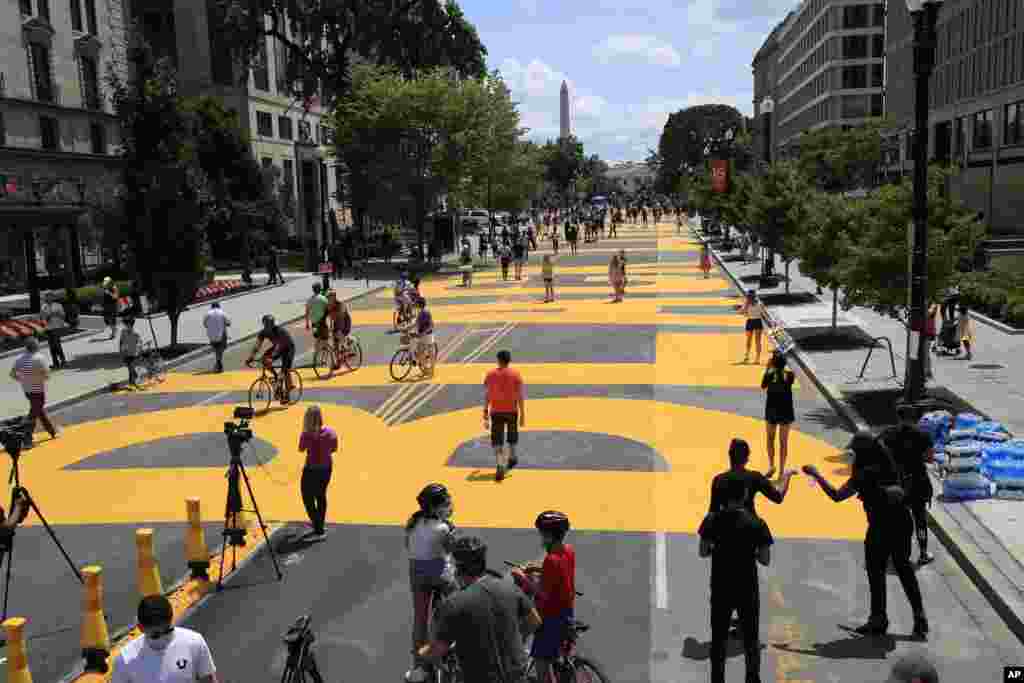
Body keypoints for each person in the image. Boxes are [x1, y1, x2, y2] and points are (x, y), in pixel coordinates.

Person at [803, 431, 928, 638]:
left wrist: (816, 474)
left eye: (855, 452)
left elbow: (837, 495)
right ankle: (919, 616)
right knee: (904, 568)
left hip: (881, 526)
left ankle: (878, 619)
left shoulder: (864, 474)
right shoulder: (888, 464)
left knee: (875, 571)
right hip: (903, 522)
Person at [419, 535, 541, 683]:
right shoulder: (510, 589)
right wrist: (516, 639)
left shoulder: (453, 604)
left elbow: (437, 650)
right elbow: (534, 621)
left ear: (458, 569)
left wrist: (423, 655)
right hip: (517, 677)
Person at [699, 475, 773, 683]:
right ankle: (752, 678)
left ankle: (717, 679)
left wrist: (719, 549)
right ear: (745, 495)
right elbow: (765, 559)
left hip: (721, 586)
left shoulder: (712, 520)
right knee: (750, 639)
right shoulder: (757, 523)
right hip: (747, 588)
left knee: (719, 638)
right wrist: (750, 553)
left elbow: (703, 551)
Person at [510, 511, 575, 683]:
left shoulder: (551, 560)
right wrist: (538, 569)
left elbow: (543, 594)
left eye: (541, 533)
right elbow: (560, 573)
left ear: (547, 535)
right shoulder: (568, 551)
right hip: (566, 611)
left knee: (541, 665)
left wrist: (522, 577)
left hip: (549, 616)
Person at [404, 483, 458, 682]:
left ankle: (419, 667)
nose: (449, 506)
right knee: (456, 603)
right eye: (446, 503)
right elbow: (453, 551)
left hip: (416, 574)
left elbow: (408, 546)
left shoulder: (412, 523)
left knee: (420, 619)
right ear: (436, 508)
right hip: (439, 575)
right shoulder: (442, 528)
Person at [110, 594, 219, 683]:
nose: (164, 639)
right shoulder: (125, 660)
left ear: (172, 620)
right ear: (140, 628)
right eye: (156, 635)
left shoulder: (194, 642)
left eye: (168, 631)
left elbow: (208, 680)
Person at [879, 405, 936, 565]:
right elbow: (930, 458)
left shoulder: (889, 434)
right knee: (920, 520)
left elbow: (883, 455)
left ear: (898, 417)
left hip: (897, 483)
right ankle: (923, 553)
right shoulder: (923, 435)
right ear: (914, 418)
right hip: (918, 482)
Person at [708, 438, 795, 516]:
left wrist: (763, 478)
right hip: (749, 527)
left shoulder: (718, 479)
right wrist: (787, 475)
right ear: (747, 458)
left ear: (730, 456)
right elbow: (778, 497)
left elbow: (712, 511)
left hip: (725, 528)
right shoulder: (754, 477)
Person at [483, 350, 525, 482]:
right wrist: (523, 414)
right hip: (512, 411)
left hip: (496, 412)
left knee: (497, 441)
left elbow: (488, 394)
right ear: (509, 360)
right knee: (512, 436)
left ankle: (500, 464)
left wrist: (485, 410)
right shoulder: (516, 374)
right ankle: (512, 457)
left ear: (498, 360)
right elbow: (519, 396)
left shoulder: (490, 375)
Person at [297, 405, 336, 539]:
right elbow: (334, 448)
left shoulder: (306, 434)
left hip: (311, 469)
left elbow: (301, 448)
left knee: (307, 496)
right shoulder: (330, 432)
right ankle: (319, 523)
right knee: (320, 495)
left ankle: (317, 525)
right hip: (326, 467)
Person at [10, 337, 57, 447]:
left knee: (38, 410)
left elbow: (12, 374)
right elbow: (47, 376)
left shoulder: (19, 359)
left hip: (27, 390)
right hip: (38, 390)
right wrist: (37, 378)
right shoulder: (40, 358)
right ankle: (27, 438)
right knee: (33, 414)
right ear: (36, 346)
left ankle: (52, 430)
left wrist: (22, 380)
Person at [762, 351, 796, 479]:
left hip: (771, 409)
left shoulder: (770, 374)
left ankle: (771, 466)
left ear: (773, 363)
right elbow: (790, 379)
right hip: (786, 410)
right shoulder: (790, 375)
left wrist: (768, 368)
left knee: (770, 439)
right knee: (783, 442)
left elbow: (763, 386)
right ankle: (782, 470)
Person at [247, 315, 296, 401]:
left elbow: (280, 346)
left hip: (288, 348)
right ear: (264, 325)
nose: (269, 327)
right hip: (278, 347)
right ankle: (276, 377)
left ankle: (287, 394)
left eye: (271, 325)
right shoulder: (263, 332)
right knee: (264, 359)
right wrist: (251, 357)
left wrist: (272, 357)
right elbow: (257, 346)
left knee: (284, 370)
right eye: (267, 325)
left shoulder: (280, 331)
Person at [402, 297, 435, 375]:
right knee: (420, 353)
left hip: (427, 335)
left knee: (427, 353)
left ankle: (430, 369)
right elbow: (415, 323)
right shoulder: (420, 312)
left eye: (416, 304)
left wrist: (423, 333)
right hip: (422, 334)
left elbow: (431, 325)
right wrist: (406, 328)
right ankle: (426, 369)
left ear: (419, 305)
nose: (415, 305)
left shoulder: (425, 313)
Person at [41, 292, 68, 369]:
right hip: (48, 328)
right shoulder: (44, 307)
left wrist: (56, 314)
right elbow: (42, 318)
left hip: (56, 327)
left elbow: (63, 315)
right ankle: (55, 363)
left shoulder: (58, 305)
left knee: (57, 344)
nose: (48, 298)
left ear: (52, 297)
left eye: (50, 296)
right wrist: (46, 319)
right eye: (47, 297)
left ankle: (63, 361)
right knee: (52, 346)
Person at [203, 302, 230, 373]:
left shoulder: (207, 314)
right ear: (219, 306)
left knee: (216, 349)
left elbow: (205, 324)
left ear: (212, 307)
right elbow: (228, 323)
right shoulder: (222, 313)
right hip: (222, 335)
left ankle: (218, 363)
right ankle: (219, 362)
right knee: (221, 349)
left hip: (211, 336)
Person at [327, 291, 352, 369]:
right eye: (328, 297)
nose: (329, 299)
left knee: (339, 335)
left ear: (334, 297)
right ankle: (338, 363)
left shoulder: (340, 304)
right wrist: (330, 328)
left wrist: (339, 330)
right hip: (337, 323)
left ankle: (347, 347)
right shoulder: (329, 306)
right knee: (335, 344)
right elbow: (331, 318)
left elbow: (341, 317)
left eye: (330, 297)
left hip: (345, 322)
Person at [739, 289, 764, 364]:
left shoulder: (756, 303)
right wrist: (745, 307)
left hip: (753, 321)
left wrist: (744, 309)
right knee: (753, 340)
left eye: (749, 296)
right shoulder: (750, 303)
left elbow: (742, 312)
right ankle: (751, 357)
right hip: (754, 321)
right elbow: (742, 312)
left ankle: (753, 358)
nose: (749, 297)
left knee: (754, 340)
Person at [306, 282, 329, 353]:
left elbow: (307, 312)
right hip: (322, 322)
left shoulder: (309, 300)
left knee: (317, 337)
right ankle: (325, 352)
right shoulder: (323, 299)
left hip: (314, 323)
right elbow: (328, 309)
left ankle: (316, 353)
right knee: (325, 337)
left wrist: (307, 323)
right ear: (320, 289)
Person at [119, 318, 142, 387]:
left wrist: (139, 348)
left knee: (130, 366)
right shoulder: (123, 331)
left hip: (133, 352)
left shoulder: (136, 333)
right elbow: (121, 341)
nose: (126, 326)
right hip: (126, 352)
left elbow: (139, 342)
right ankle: (134, 377)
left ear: (131, 325)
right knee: (130, 367)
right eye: (126, 325)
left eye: (127, 325)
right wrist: (120, 350)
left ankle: (131, 382)